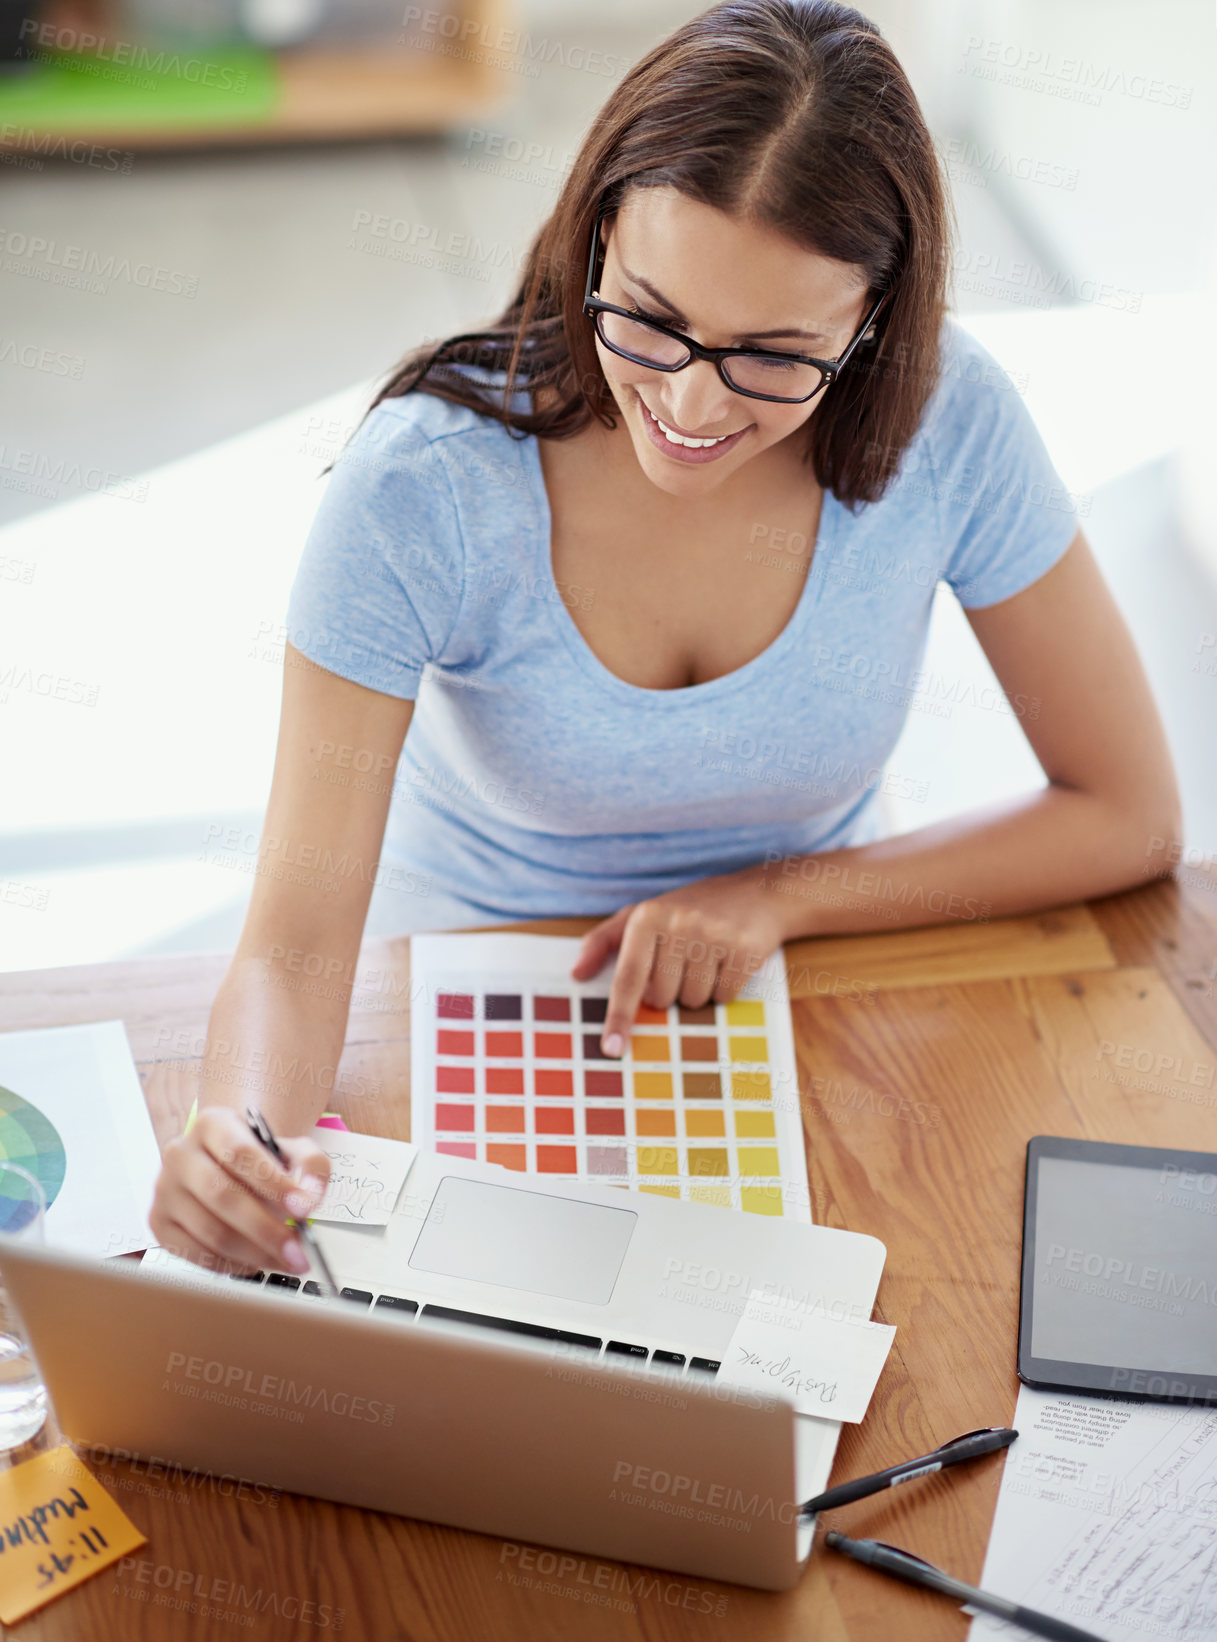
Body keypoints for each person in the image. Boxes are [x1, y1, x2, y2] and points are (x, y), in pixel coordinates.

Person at [149, 0, 1181, 1274]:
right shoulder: (423, 483)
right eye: (647, 313)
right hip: (474, 971)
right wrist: (237, 1139)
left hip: (789, 979)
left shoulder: (948, 422)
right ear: (592, 233)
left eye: (774, 356)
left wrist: (775, 897)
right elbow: (296, 948)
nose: (689, 404)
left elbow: (1126, 812)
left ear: (870, 326)